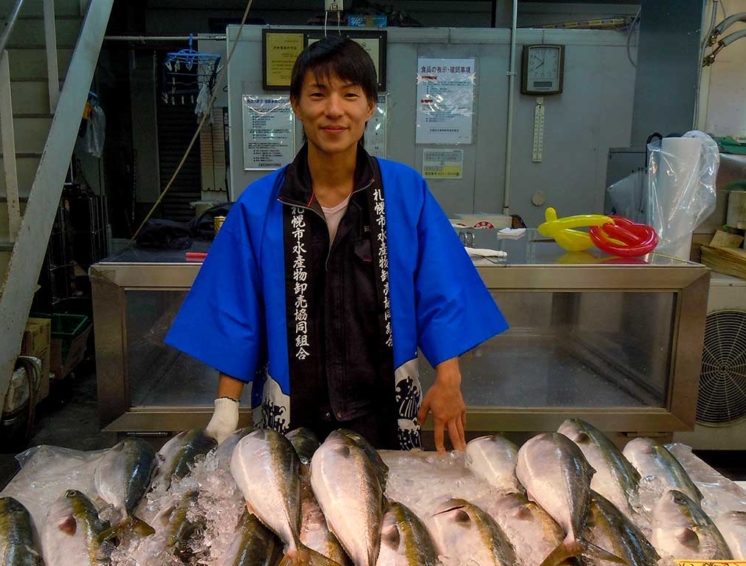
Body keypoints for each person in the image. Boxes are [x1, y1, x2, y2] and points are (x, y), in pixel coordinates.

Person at [165, 36, 507, 452]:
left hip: (384, 404)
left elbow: (441, 291)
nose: (333, 110)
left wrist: (449, 379)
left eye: (350, 95)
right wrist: (225, 404)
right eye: (317, 94)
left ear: (370, 107)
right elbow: (235, 309)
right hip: (293, 407)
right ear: (296, 104)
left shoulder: (405, 193)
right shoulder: (259, 205)